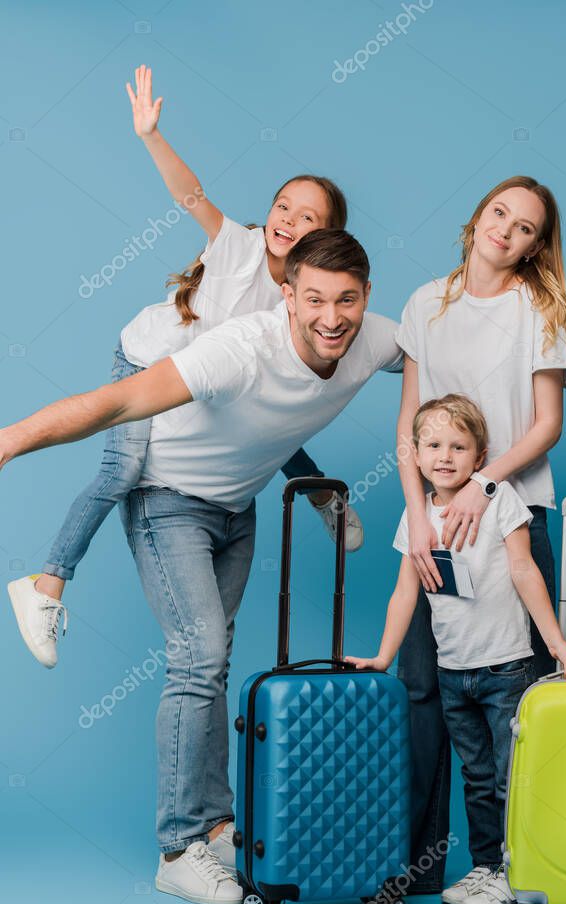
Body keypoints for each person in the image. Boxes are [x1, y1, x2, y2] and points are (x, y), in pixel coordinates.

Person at [0, 229, 404, 904]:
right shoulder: (240, 348)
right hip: (167, 502)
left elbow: (454, 344)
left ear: (366, 297)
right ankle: (177, 847)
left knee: (210, 664)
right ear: (286, 295)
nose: (330, 318)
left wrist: (560, 373)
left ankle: (217, 824)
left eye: (346, 300)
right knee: (199, 655)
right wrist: (10, 439)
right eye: (313, 299)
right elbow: (116, 403)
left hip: (235, 510)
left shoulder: (379, 338)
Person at [7, 64, 362, 671]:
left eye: (307, 218)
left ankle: (322, 496)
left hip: (212, 391)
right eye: (283, 206)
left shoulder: (309, 298)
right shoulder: (240, 248)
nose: (287, 221)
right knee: (123, 473)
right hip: (150, 364)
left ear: (327, 239)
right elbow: (191, 195)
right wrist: (150, 134)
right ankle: (44, 587)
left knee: (276, 410)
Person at [394, 176, 566, 896]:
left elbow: (544, 424)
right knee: (423, 691)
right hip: (433, 521)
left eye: (525, 227)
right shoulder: (422, 304)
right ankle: (416, 872)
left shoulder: (539, 309)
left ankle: (519, 868)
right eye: (499, 213)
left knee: (516, 703)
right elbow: (408, 427)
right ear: (476, 218)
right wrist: (416, 516)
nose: (507, 229)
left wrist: (481, 485)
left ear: (536, 245)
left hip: (511, 517)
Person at [346, 394, 566, 904]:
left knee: (509, 775)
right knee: (477, 777)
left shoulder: (500, 501)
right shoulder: (417, 521)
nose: (445, 456)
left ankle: (517, 870)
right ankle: (486, 868)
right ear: (415, 453)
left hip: (508, 667)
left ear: (480, 458)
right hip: (453, 674)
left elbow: (526, 571)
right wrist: (384, 658)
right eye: (432, 445)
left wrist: (554, 640)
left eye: (459, 446)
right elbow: (404, 595)